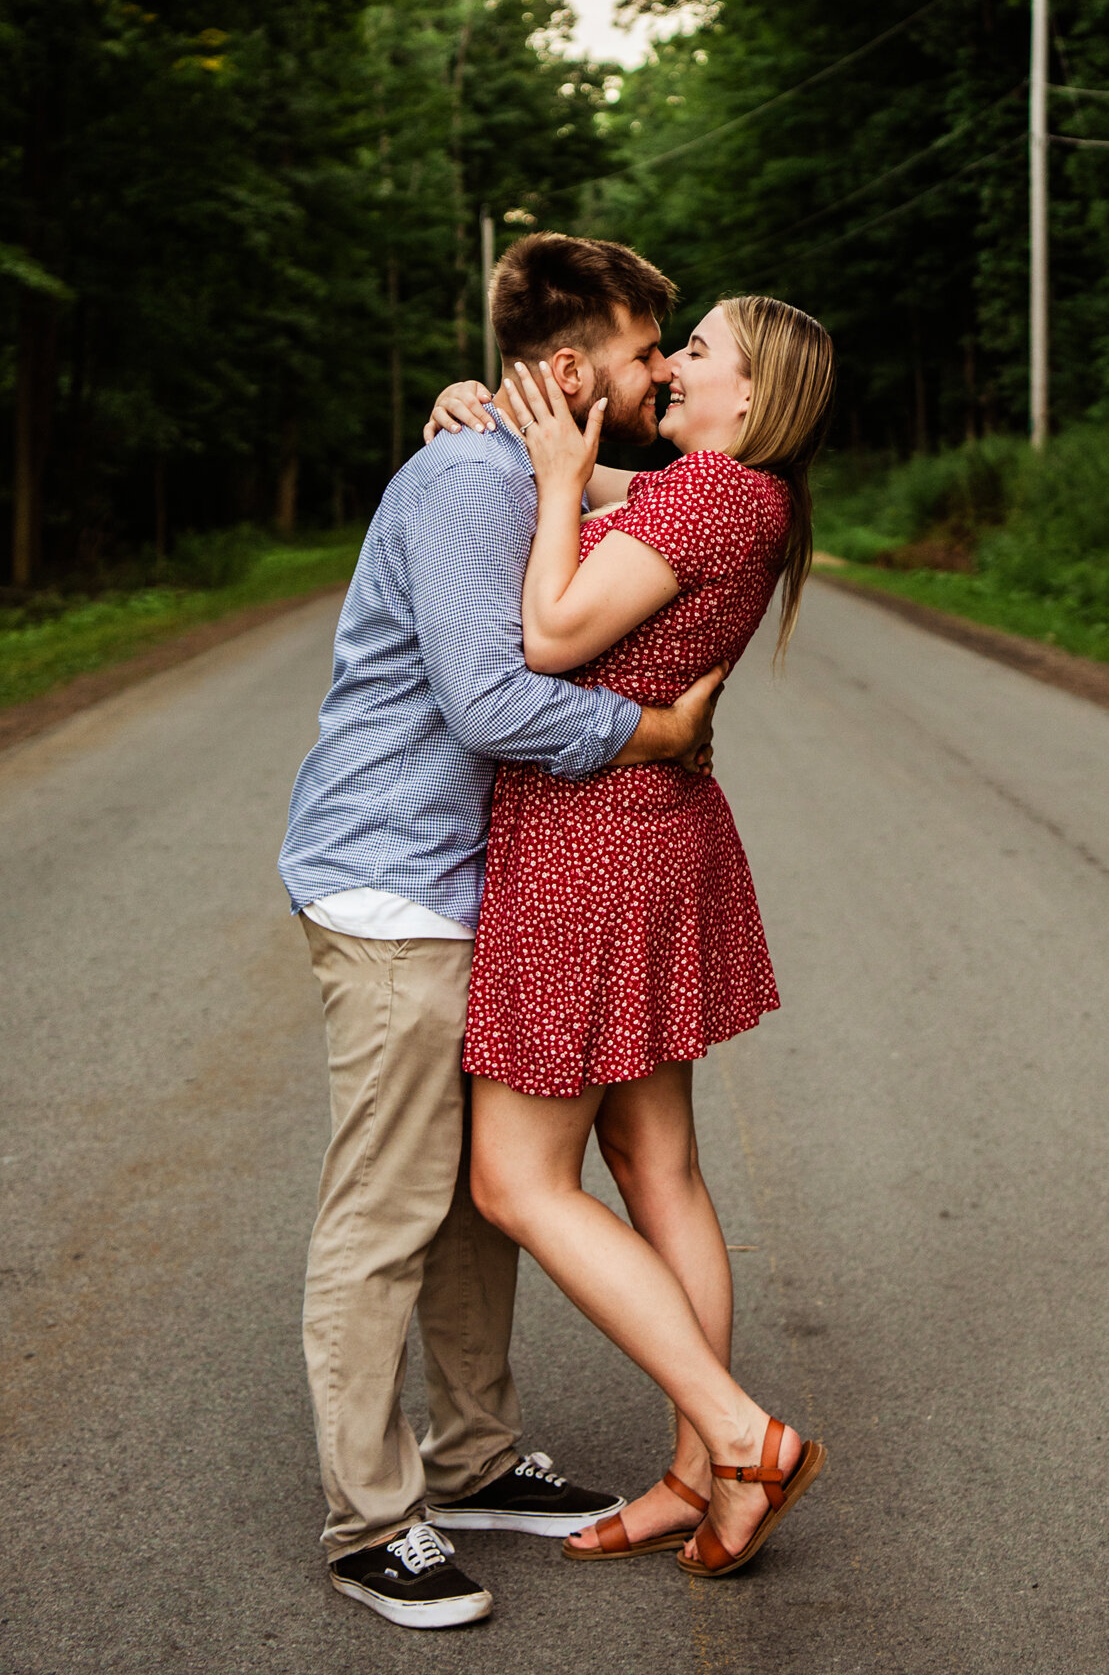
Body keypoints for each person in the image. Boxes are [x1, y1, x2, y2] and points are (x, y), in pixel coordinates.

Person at [277, 234, 726, 1631]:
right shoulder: (471, 479)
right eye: (648, 346)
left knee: (483, 1202)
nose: (661, 370)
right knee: (388, 1212)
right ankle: (372, 1522)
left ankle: (472, 1461)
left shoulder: (528, 470)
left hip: (475, 887)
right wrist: (656, 732)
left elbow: (677, 515)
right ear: (571, 358)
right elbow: (495, 706)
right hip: (396, 890)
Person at [426, 289, 836, 1578]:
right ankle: (699, 1477)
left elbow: (547, 637)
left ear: (750, 399)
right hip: (656, 834)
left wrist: (552, 484)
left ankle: (738, 1436)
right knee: (659, 1170)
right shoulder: (734, 498)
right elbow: (584, 469)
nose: (671, 367)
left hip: (587, 850)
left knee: (516, 1181)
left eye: (694, 351)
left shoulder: (705, 497)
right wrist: (490, 420)